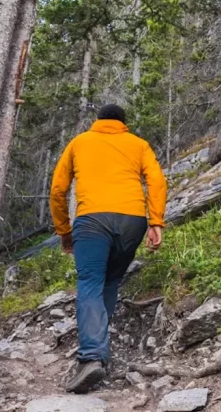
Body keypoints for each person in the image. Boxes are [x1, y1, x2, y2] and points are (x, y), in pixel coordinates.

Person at [50, 103, 168, 394]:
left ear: (98, 121)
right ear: (123, 124)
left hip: (91, 220)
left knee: (90, 282)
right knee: (111, 280)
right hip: (133, 220)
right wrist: (156, 222)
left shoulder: (79, 142)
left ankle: (92, 356)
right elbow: (156, 180)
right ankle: (98, 349)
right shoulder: (138, 145)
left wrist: (64, 230)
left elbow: (57, 189)